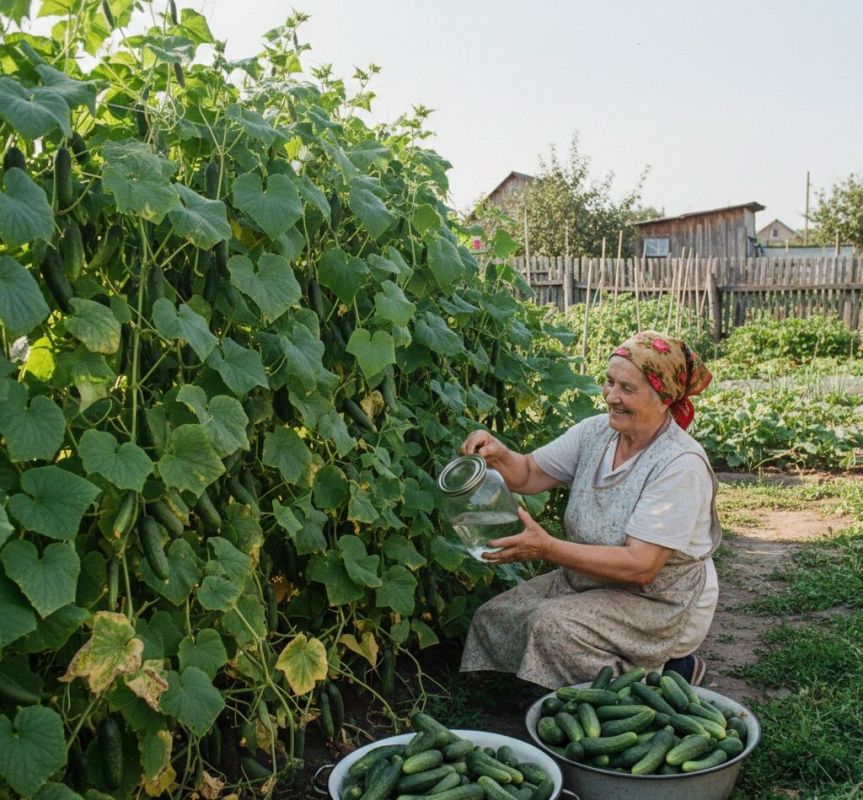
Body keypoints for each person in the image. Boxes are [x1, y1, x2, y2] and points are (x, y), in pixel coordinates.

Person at [459, 330, 720, 689]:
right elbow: (530, 473)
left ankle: (666, 672)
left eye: (627, 389)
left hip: (655, 601)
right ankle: (556, 680)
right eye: (610, 382)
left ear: (664, 399)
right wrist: (499, 455)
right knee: (495, 615)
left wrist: (547, 548)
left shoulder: (680, 464)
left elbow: (641, 567)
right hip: (588, 581)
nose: (611, 396)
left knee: (551, 626)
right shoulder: (596, 433)